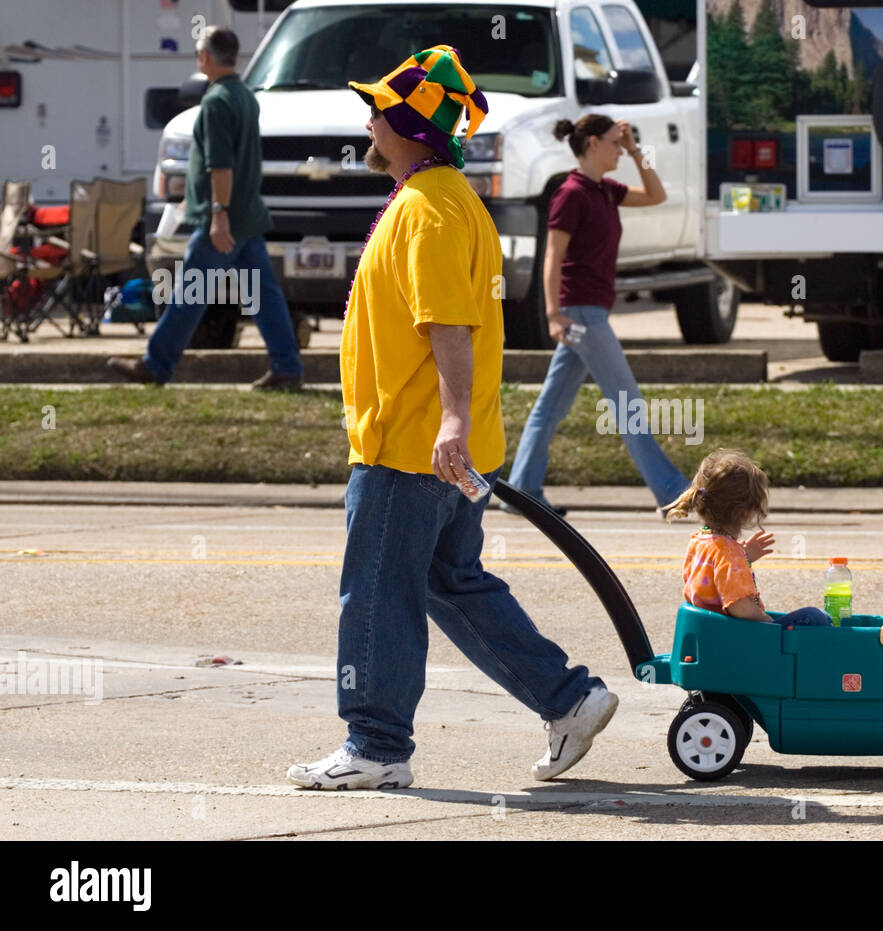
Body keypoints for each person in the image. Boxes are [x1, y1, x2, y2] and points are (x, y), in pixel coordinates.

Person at [287, 46, 616, 790]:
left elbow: (448, 326)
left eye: (377, 109)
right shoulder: (446, 199)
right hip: (440, 446)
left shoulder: (430, 211)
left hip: (411, 447)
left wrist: (450, 422)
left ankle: (374, 744)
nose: (368, 119)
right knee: (451, 581)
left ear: (405, 125)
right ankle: (570, 699)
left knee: (376, 591)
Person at [504, 114, 691, 516]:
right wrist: (553, 313)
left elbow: (656, 195)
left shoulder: (605, 191)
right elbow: (552, 256)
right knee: (628, 405)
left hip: (588, 313)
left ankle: (522, 490)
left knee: (550, 406)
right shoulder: (571, 193)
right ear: (591, 144)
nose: (620, 150)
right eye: (614, 143)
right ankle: (673, 492)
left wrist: (638, 148)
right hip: (581, 314)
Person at [108, 26, 302, 390]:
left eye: (199, 53)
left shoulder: (215, 103)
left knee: (188, 295)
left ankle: (155, 365)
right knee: (264, 297)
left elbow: (221, 165)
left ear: (206, 58)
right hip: (247, 214)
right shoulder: (246, 96)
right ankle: (288, 367)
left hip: (227, 220)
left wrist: (218, 213)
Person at [665, 449, 832, 627]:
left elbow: (712, 581)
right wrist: (772, 626)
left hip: (709, 632)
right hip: (735, 638)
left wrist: (744, 557)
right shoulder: (729, 553)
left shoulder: (699, 541)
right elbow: (740, 608)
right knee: (817, 617)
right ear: (745, 514)